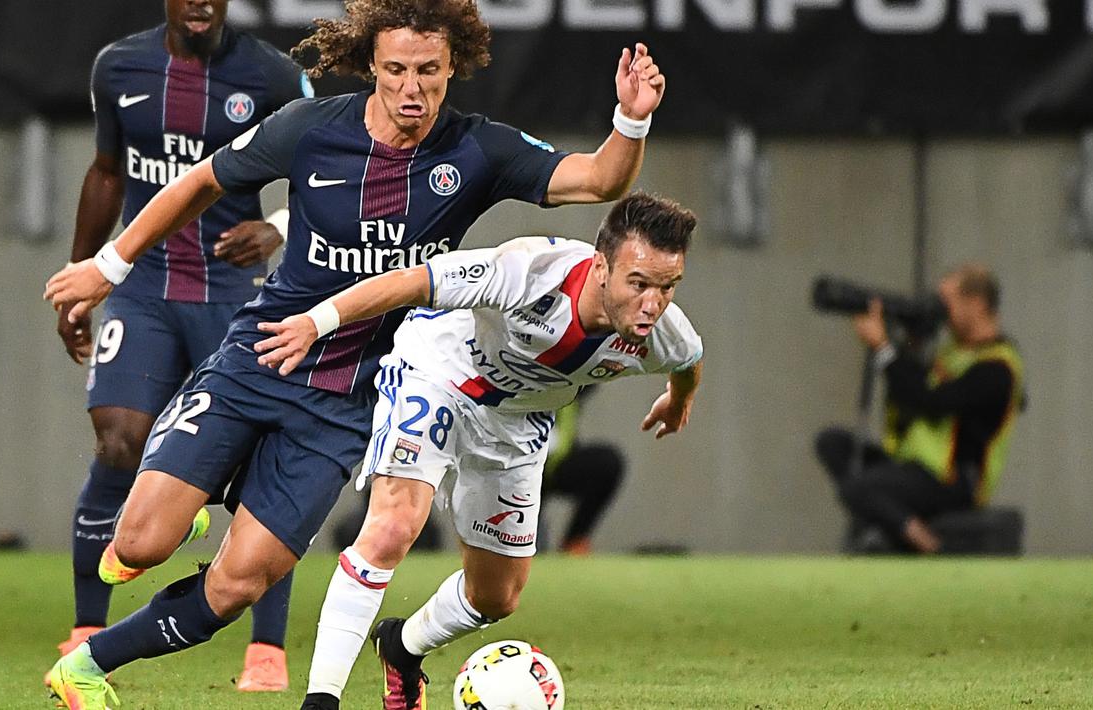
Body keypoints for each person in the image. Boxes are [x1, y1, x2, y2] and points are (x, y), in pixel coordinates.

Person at [42, 0, 666, 707]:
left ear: (452, 67)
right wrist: (110, 266)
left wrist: (631, 119)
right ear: (370, 64)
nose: (411, 88)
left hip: (348, 405)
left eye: (428, 71)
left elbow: (598, 180)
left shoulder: (477, 150)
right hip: (261, 359)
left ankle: (87, 666)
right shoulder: (311, 131)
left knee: (237, 585)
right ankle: (196, 498)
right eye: (396, 69)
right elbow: (201, 181)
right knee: (142, 543)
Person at [251, 192, 703, 710]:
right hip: (440, 374)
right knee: (394, 525)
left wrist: (677, 400)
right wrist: (317, 323)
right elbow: (409, 282)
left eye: (668, 287)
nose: (653, 304)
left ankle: (402, 647)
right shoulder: (529, 271)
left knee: (496, 596)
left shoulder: (663, 333)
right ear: (601, 266)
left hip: (517, 424)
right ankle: (321, 699)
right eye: (639, 283)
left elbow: (691, 360)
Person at [51, 0, 311, 693]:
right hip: (146, 291)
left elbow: (328, 169)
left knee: (260, 465)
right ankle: (85, 626)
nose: (200, 1)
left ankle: (265, 649)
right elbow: (107, 171)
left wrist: (279, 225)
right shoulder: (120, 66)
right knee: (116, 441)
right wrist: (84, 280)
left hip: (237, 295)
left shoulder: (273, 76)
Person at [815, 264, 1024, 553]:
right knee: (833, 444)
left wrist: (884, 349)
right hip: (915, 468)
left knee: (857, 487)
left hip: (954, 480)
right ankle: (895, 523)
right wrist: (908, 340)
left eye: (946, 302)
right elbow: (907, 389)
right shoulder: (951, 352)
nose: (940, 310)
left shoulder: (998, 367)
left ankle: (925, 542)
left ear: (976, 305)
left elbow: (931, 403)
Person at [541, 387, 627, 555]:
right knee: (524, 550)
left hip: (558, 462)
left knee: (606, 464)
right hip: (517, 464)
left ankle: (574, 542)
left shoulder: (573, 378)